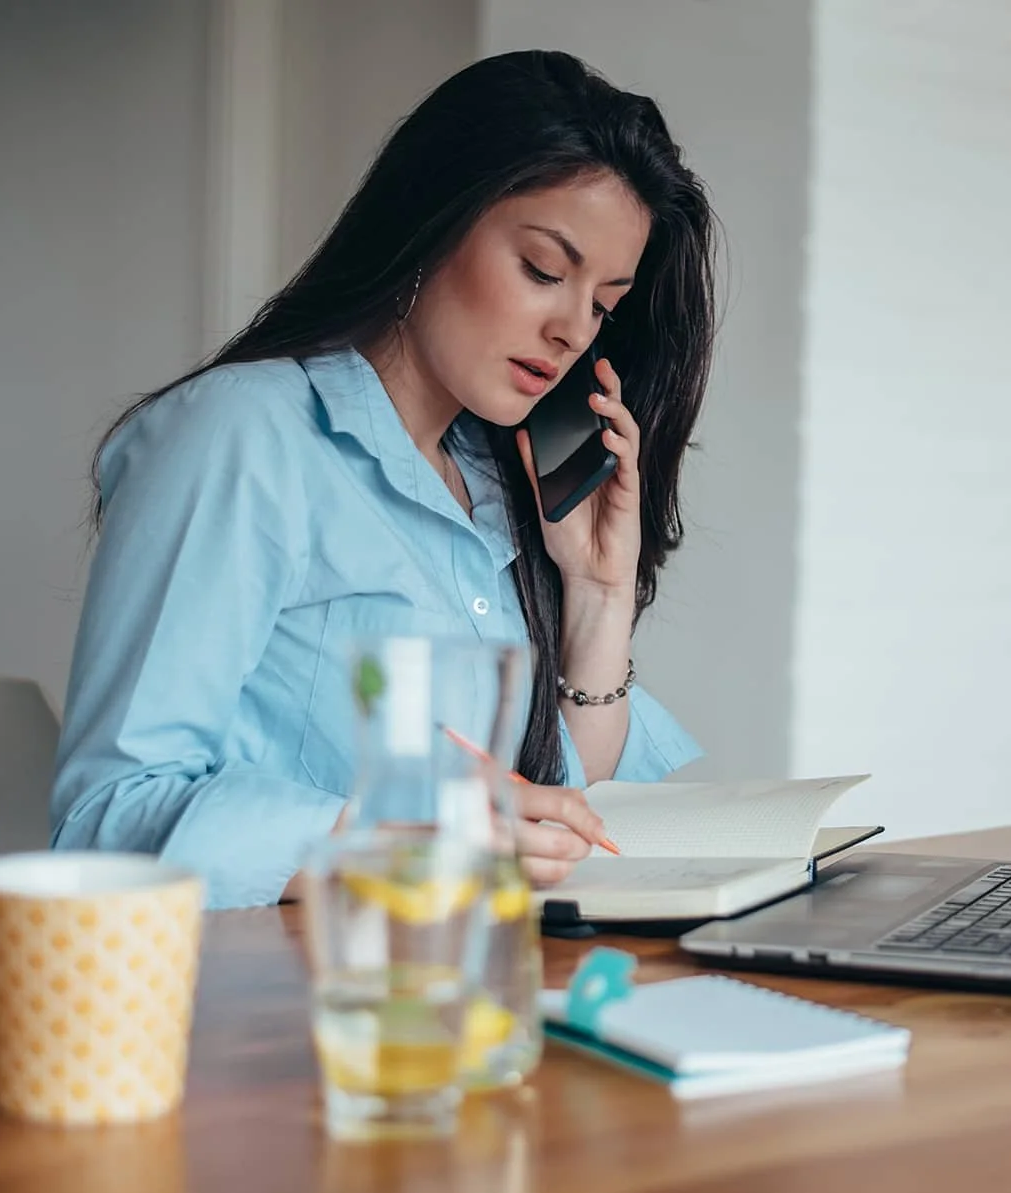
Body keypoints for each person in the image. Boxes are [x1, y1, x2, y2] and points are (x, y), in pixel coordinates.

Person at [49, 50, 717, 908]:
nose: (571, 333)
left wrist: (597, 592)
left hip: (457, 986)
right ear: (435, 221)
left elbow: (557, 817)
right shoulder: (242, 435)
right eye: (545, 272)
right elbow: (110, 816)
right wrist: (409, 841)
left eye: (603, 305)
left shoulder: (491, 485)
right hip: (278, 999)